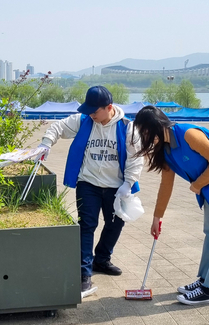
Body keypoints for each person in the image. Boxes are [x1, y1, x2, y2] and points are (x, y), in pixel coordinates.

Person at [132, 105, 209, 305]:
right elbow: (166, 185)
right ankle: (204, 280)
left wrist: (196, 185)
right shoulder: (165, 150)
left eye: (145, 131)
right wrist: (157, 217)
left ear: (157, 126)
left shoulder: (188, 134)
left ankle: (208, 291)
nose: (145, 137)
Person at [35, 86, 143, 297]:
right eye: (89, 111)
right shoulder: (84, 121)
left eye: (95, 111)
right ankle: (84, 272)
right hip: (89, 184)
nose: (91, 115)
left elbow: (136, 158)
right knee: (87, 225)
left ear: (109, 107)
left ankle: (101, 259)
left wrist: (128, 184)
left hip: (115, 187)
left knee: (115, 225)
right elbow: (58, 127)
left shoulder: (127, 128)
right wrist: (46, 144)